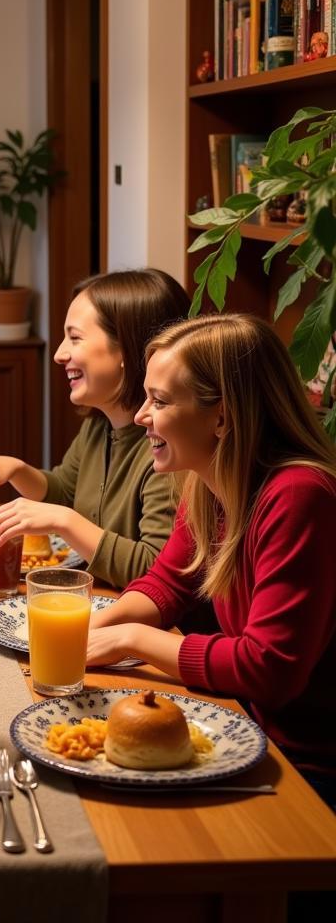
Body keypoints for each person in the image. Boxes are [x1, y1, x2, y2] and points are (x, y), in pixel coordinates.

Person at [87, 314, 336, 806]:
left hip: (307, 768)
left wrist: (129, 638)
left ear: (221, 417)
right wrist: (92, 627)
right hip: (248, 730)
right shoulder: (209, 481)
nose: (140, 416)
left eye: (159, 401)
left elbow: (270, 668)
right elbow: (169, 583)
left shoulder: (299, 495)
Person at [0, 269, 189, 589]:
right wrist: (15, 469)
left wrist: (63, 521)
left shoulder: (169, 447)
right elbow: (64, 492)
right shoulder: (98, 426)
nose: (59, 354)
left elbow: (156, 570)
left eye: (75, 338)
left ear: (126, 349)